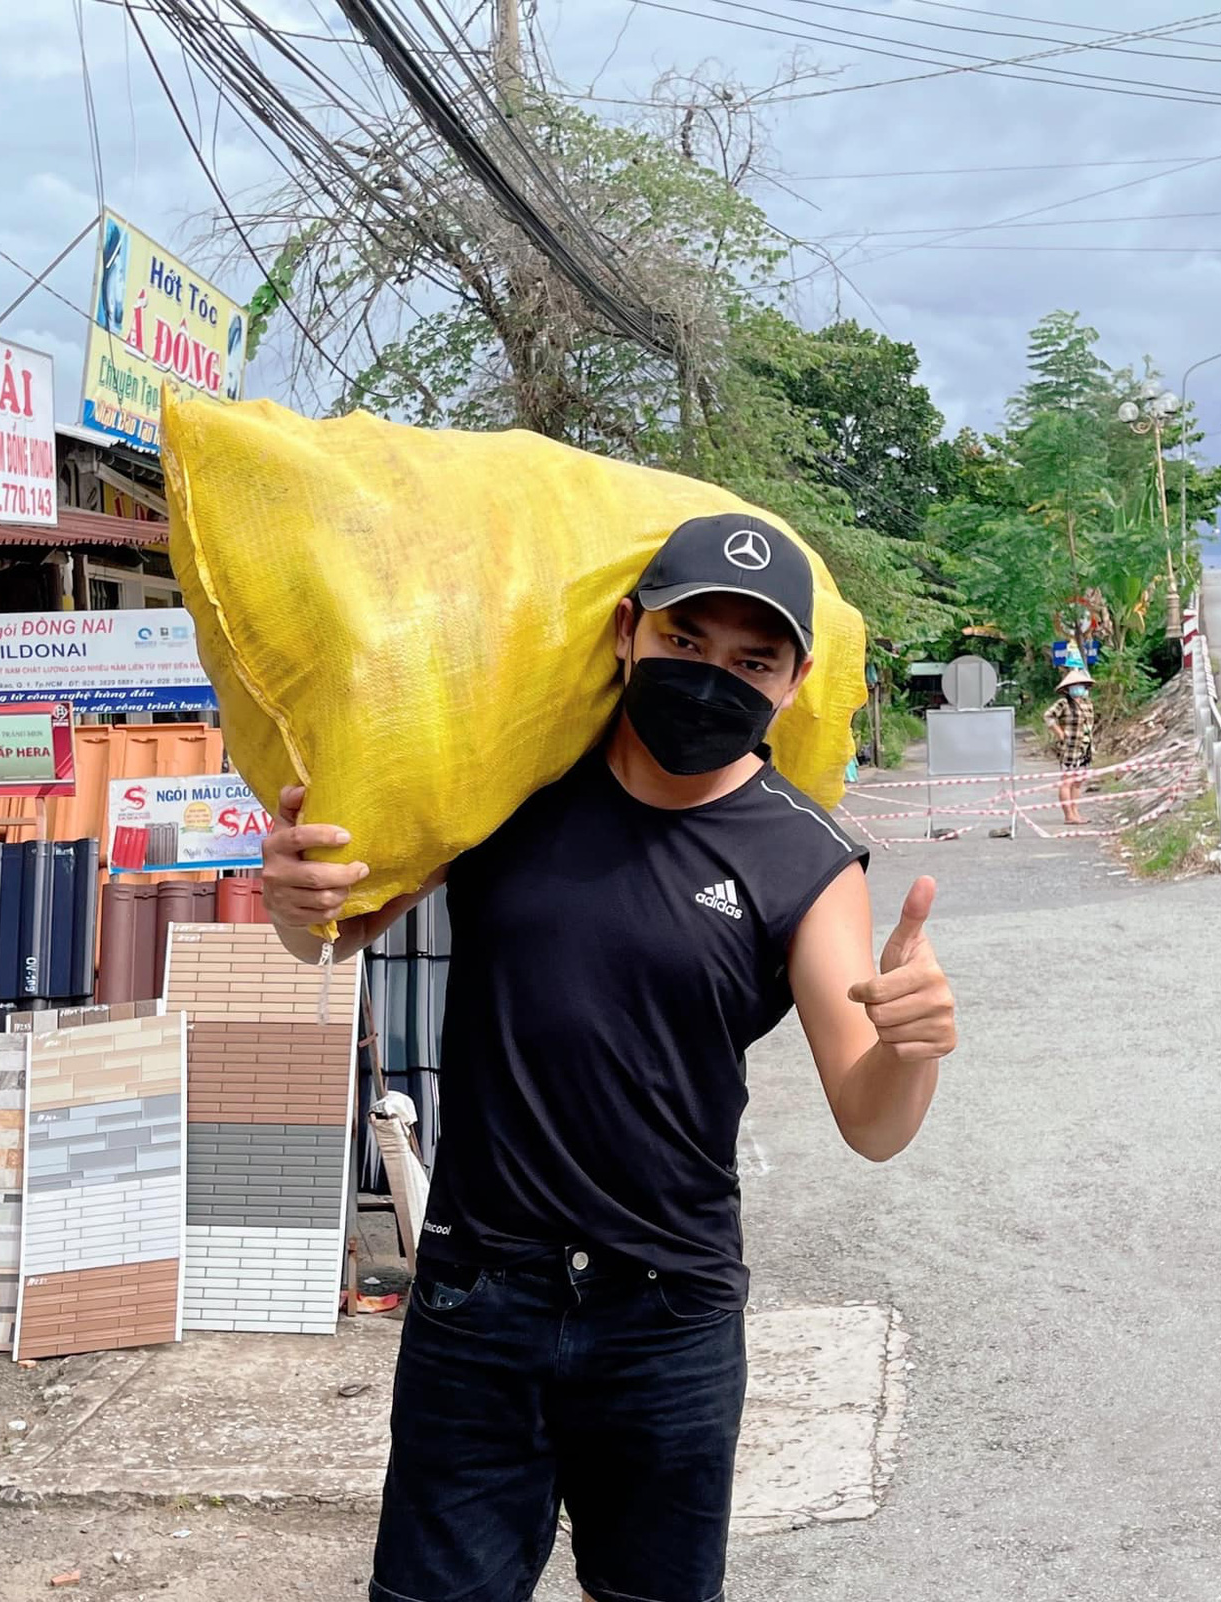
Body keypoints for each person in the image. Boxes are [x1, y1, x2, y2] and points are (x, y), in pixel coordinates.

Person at [261, 511, 958, 1602]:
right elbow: (328, 931)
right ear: (628, 630)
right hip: (477, 1298)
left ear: (792, 681)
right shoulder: (510, 790)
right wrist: (292, 898)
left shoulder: (805, 857)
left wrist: (910, 1048)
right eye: (686, 643)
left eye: (750, 661)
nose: (711, 676)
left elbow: (870, 1122)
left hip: (666, 1317)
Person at [1043, 663, 1097, 825]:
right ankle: (1068, 815)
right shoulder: (1063, 704)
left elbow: (1089, 725)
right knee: (1067, 781)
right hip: (1070, 748)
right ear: (1068, 689)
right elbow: (1048, 716)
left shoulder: (1087, 704)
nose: (1078, 689)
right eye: (1074, 686)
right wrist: (1060, 733)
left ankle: (1076, 813)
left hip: (1085, 748)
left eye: (1080, 686)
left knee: (1078, 782)